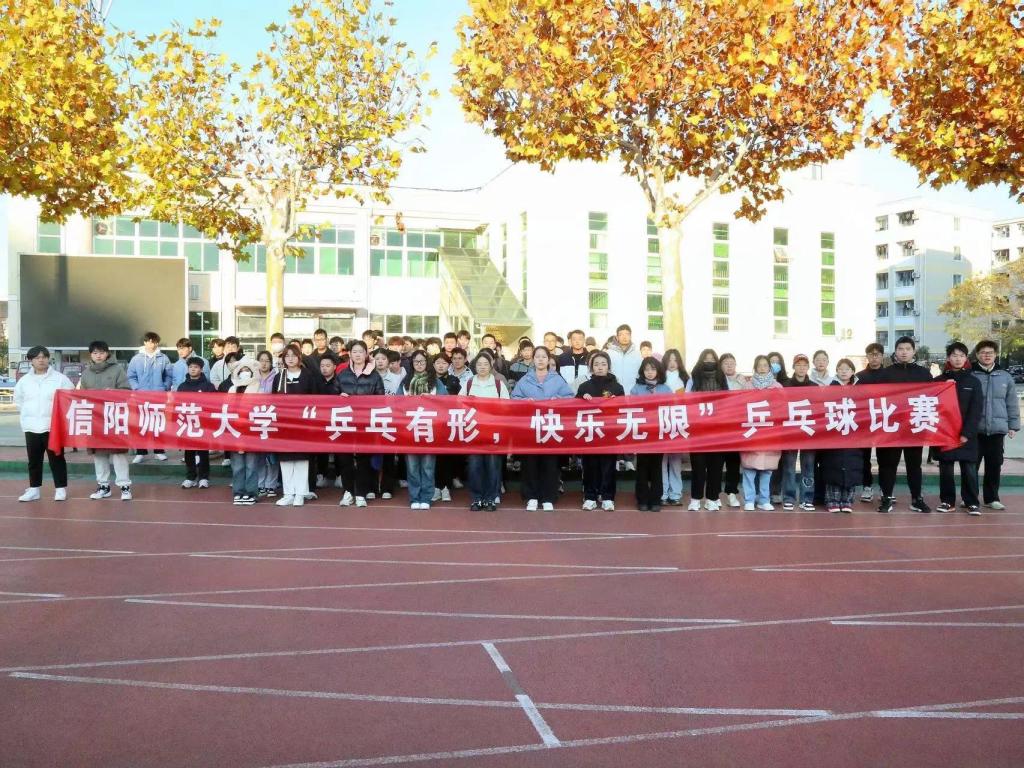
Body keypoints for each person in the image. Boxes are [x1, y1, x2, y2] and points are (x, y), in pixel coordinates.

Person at [875, 335, 933, 513]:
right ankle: (886, 498)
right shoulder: (885, 374)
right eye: (900, 349)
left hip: (914, 426)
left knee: (914, 465)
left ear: (914, 351)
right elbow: (875, 398)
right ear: (895, 351)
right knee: (888, 464)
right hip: (891, 427)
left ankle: (917, 499)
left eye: (908, 349)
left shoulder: (924, 374)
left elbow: (934, 396)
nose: (904, 352)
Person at [511, 345, 573, 510]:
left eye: (543, 357)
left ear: (548, 359)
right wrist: (524, 401)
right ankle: (531, 496)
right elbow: (514, 398)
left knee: (550, 464)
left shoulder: (557, 379)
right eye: (537, 356)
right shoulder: (525, 379)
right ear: (533, 359)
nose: (540, 360)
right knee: (530, 463)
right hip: (530, 428)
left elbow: (570, 397)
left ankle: (548, 497)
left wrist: (557, 399)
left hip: (551, 428)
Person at [14, 346, 72, 502]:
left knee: (57, 458)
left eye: (44, 357)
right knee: (33, 460)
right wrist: (28, 414)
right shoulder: (24, 381)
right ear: (31, 360)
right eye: (37, 357)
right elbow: (18, 400)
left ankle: (60, 489)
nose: (41, 360)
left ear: (48, 359)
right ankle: (34, 489)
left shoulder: (60, 379)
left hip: (52, 427)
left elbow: (70, 398)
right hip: (31, 426)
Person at [934, 342, 983, 514]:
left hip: (966, 435)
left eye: (961, 356)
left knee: (969, 469)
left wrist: (967, 433)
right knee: (946, 469)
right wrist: (942, 388)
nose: (958, 359)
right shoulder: (938, 381)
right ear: (948, 358)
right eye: (954, 355)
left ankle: (971, 502)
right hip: (944, 434)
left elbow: (976, 410)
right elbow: (932, 407)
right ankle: (947, 501)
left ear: (966, 358)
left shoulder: (974, 381)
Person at [81, 340, 133, 501]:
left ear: (107, 354)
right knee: (99, 455)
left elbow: (127, 391)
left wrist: (114, 392)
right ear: (91, 355)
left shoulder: (117, 369)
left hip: (114, 418)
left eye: (102, 352)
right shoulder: (86, 373)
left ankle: (125, 486)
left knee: (119, 454)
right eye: (95, 353)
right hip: (95, 419)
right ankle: (103, 486)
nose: (98, 356)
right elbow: (81, 395)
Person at [336, 340, 385, 507]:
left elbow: (381, 400)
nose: (357, 355)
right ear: (350, 354)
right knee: (345, 459)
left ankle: (361, 493)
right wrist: (339, 398)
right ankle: (348, 491)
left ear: (366, 354)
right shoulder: (342, 375)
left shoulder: (375, 376)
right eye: (354, 351)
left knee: (364, 459)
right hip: (345, 421)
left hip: (365, 422)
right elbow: (332, 397)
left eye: (361, 351)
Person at [972, 340, 1020, 510]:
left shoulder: (1005, 376)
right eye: (983, 352)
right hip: (974, 430)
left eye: (990, 353)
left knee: (994, 465)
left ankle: (992, 498)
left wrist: (1013, 425)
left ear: (996, 355)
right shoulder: (970, 375)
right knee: (971, 466)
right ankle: (969, 498)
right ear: (977, 355)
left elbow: (1011, 402)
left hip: (997, 430)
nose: (987, 355)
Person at [575, 351, 623, 511]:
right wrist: (582, 398)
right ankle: (590, 496)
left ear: (608, 366)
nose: (600, 367)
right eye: (596, 364)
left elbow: (623, 410)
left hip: (609, 433)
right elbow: (573, 408)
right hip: (589, 433)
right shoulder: (584, 387)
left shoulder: (617, 387)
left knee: (608, 466)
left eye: (603, 364)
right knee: (590, 466)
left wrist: (615, 402)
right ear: (591, 367)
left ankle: (608, 497)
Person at [461, 352, 510, 510]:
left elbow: (507, 407)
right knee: (474, 466)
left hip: (493, 433)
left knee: (493, 466)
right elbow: (459, 404)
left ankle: (491, 497)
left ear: (491, 366)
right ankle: (476, 498)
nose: (482, 367)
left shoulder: (498, 384)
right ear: (475, 366)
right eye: (479, 364)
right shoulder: (469, 383)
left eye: (485, 364)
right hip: (474, 432)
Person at [273, 346, 316, 506]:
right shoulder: (279, 377)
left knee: (301, 460)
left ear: (299, 357)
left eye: (293, 355)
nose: (290, 359)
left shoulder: (308, 376)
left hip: (303, 424)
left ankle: (300, 493)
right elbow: (274, 400)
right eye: (287, 356)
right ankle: (288, 493)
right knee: (286, 460)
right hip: (284, 424)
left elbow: (315, 399)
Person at [686, 349, 727, 510]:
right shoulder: (693, 378)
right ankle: (695, 499)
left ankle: (712, 498)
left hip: (718, 429)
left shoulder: (722, 378)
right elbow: (687, 400)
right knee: (698, 466)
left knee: (715, 467)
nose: (709, 361)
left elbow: (729, 400)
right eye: (706, 359)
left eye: (712, 359)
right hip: (698, 430)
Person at [740, 355, 782, 511]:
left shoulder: (777, 386)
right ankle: (749, 499)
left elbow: (782, 407)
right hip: (752, 431)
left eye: (765, 365)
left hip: (770, 433)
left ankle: (764, 500)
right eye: (760, 365)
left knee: (767, 469)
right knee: (749, 468)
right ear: (755, 368)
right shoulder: (747, 386)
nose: (762, 368)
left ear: (770, 368)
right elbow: (740, 407)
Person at [821, 358, 863, 513]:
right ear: (836, 371)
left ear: (852, 371)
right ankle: (832, 500)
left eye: (847, 369)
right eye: (841, 368)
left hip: (853, 432)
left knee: (852, 464)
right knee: (833, 465)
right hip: (834, 432)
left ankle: (847, 500)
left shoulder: (860, 389)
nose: (844, 371)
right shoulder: (829, 388)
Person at [630, 357, 672, 511]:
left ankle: (655, 499)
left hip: (658, 433)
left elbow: (671, 409)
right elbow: (631, 408)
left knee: (656, 467)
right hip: (642, 433)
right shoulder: (636, 389)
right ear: (642, 371)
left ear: (658, 371)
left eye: (653, 369)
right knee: (642, 466)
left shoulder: (666, 389)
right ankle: (642, 499)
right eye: (646, 369)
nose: (649, 372)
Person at [219, 356, 261, 505]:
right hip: (235, 431)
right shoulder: (232, 389)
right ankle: (238, 491)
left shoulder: (259, 388)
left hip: (251, 432)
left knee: (251, 465)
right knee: (237, 466)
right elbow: (226, 408)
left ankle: (251, 493)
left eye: (247, 370)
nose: (244, 372)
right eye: (241, 370)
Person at [128, 331, 173, 462]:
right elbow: (131, 376)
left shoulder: (163, 358)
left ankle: (159, 451)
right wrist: (137, 388)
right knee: (141, 424)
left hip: (158, 396)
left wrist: (164, 387)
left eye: (154, 342)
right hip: (141, 396)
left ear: (157, 343)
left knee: (158, 424)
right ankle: (140, 453)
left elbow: (169, 375)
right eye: (149, 341)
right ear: (145, 342)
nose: (152, 344)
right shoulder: (136, 359)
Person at [403, 350, 440, 510]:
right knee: (412, 467)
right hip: (410, 429)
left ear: (427, 363)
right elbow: (395, 403)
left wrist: (431, 399)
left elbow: (446, 402)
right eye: (416, 362)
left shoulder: (435, 382)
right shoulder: (405, 382)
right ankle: (414, 497)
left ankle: (426, 497)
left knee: (427, 466)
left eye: (422, 361)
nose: (419, 364)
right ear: (412, 363)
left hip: (430, 429)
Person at [781, 354, 818, 511]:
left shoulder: (815, 387)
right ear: (793, 367)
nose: (801, 368)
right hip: (790, 431)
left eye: (804, 365)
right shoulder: (785, 386)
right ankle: (788, 497)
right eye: (798, 365)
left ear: (808, 367)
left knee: (808, 467)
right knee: (789, 467)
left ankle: (807, 498)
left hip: (808, 432)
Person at [176, 356, 217, 490]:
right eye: (191, 367)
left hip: (203, 424)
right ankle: (190, 477)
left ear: (201, 369)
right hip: (187, 424)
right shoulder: (182, 386)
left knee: (203, 452)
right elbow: (177, 404)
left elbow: (214, 404)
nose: (193, 369)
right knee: (189, 452)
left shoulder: (208, 386)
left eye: (196, 367)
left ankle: (204, 477)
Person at [857, 342, 886, 503]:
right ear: (867, 356)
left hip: (884, 421)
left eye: (877, 354)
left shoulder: (890, 375)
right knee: (864, 457)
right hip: (865, 422)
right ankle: (866, 487)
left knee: (884, 458)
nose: (874, 358)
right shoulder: (859, 377)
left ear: (882, 356)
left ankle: (885, 487)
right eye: (871, 354)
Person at [660, 349, 688, 506]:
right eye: (669, 360)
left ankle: (675, 493)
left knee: (676, 461)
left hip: (678, 422)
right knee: (662, 461)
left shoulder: (685, 379)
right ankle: (663, 493)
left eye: (675, 360)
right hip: (662, 422)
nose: (672, 363)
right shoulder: (660, 378)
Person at [718, 353, 746, 508]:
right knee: (716, 463)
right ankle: (714, 495)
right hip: (718, 428)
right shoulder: (716, 379)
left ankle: (731, 493)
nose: (729, 366)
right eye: (726, 363)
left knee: (733, 463)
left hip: (735, 428)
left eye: (732, 363)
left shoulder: (742, 381)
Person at [606, 324, 643, 392]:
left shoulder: (637, 354)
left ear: (630, 336)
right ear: (617, 337)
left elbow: (641, 373)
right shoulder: (609, 353)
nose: (624, 337)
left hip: (633, 393)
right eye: (621, 334)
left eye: (627, 334)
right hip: (614, 393)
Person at [556, 329, 590, 394]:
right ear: (570, 341)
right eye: (574, 339)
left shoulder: (590, 358)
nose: (577, 342)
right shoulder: (562, 358)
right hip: (566, 394)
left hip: (586, 394)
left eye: (580, 339)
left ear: (584, 341)